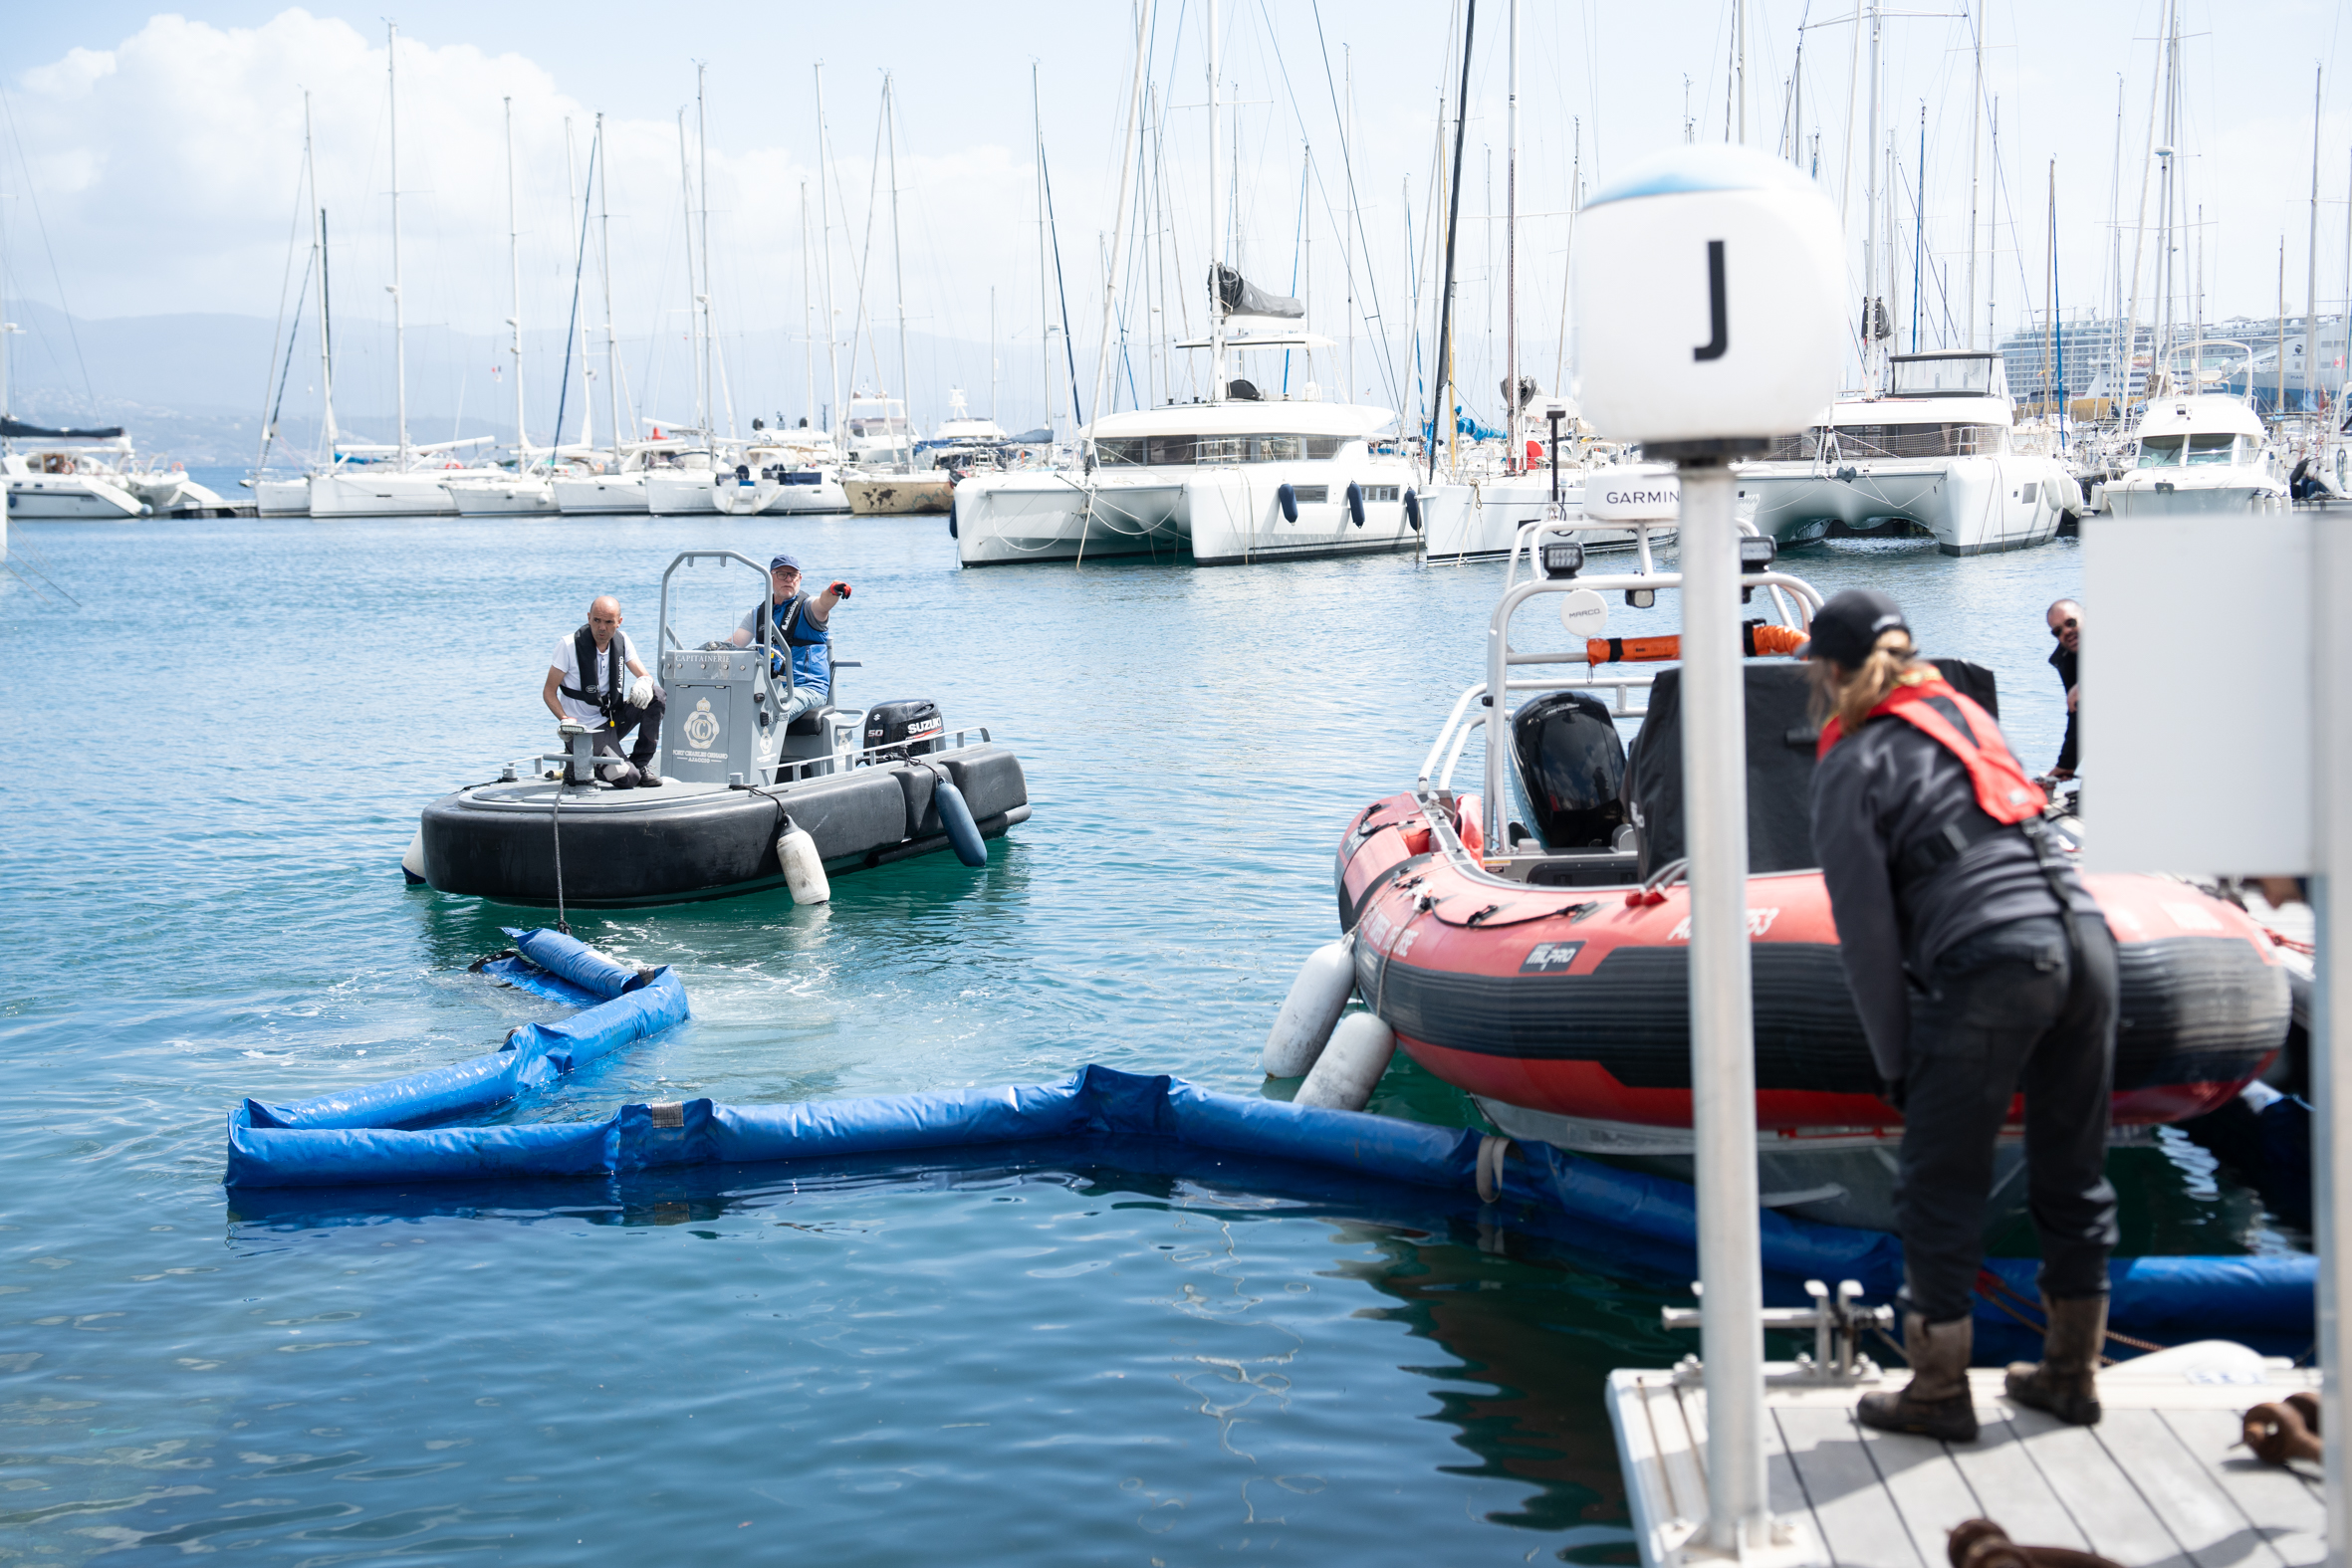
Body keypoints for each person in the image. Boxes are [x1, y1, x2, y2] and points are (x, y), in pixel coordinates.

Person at [1805, 588, 2118, 1443]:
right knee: (2073, 1170)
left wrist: (1897, 1061)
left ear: (1829, 672)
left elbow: (1866, 936)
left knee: (1939, 1187)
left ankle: (1939, 1390)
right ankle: (2069, 1374)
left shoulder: (1850, 759)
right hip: (2085, 938)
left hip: (1992, 959)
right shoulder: (1963, 717)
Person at [543, 595, 664, 787]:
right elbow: (549, 692)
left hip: (613, 720)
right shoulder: (568, 646)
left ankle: (641, 763)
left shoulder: (623, 641)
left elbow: (646, 676)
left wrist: (644, 682)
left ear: (618, 622)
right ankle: (576, 760)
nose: (601, 627)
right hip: (585, 731)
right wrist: (564, 719)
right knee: (629, 778)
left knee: (656, 694)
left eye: (608, 622)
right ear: (589, 617)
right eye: (596, 620)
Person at [727, 555, 850, 726]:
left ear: (800, 579)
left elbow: (823, 604)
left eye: (793, 575)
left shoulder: (808, 608)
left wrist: (834, 591)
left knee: (770, 713)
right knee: (725, 707)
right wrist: (706, 651)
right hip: (771, 688)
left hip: (807, 689)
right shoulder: (758, 614)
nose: (789, 579)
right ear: (770, 577)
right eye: (782, 574)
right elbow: (734, 644)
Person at [2045, 598, 2081, 780]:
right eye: (2058, 631)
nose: (2067, 631)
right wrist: (2067, 764)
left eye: (2070, 623)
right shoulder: (2067, 658)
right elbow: (2079, 715)